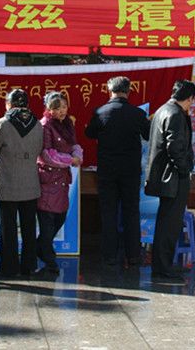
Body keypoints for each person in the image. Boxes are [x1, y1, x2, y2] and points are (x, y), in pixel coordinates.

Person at [84, 76, 150, 266]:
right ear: (128, 91)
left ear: (110, 91)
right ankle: (133, 256)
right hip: (130, 171)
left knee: (108, 213)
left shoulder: (100, 112)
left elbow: (89, 133)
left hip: (107, 171)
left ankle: (109, 256)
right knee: (131, 212)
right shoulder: (137, 113)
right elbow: (148, 134)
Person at [0, 88, 43, 280]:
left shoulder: (3, 123)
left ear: (9, 104)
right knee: (29, 227)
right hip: (30, 182)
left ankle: (9, 268)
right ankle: (29, 266)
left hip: (8, 181)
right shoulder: (37, 123)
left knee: (8, 228)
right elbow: (38, 149)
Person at [144, 79, 195, 282]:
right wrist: (185, 168)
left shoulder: (163, 110)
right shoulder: (175, 114)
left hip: (165, 176)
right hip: (173, 177)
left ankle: (161, 265)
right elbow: (174, 147)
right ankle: (163, 267)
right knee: (170, 224)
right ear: (189, 98)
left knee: (165, 222)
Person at [36, 92, 83, 276]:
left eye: (63, 106)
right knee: (47, 222)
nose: (61, 111)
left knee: (60, 217)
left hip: (62, 180)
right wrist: (70, 160)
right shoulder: (45, 125)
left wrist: (77, 155)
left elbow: (74, 145)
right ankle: (49, 260)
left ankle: (40, 248)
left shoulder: (67, 123)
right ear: (49, 109)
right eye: (56, 108)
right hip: (47, 179)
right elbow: (46, 155)